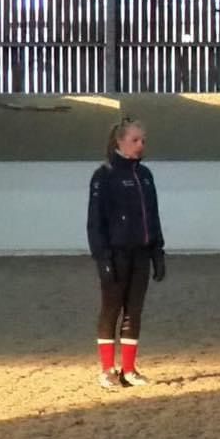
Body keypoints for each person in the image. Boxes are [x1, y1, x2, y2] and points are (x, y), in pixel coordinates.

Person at [87, 116, 166, 390]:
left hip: (140, 254)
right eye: (135, 140)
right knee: (111, 310)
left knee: (134, 311)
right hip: (115, 255)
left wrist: (158, 250)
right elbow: (95, 222)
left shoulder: (145, 176)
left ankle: (129, 370)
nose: (141, 145)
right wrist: (102, 258)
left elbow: (152, 216)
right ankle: (107, 370)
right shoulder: (104, 176)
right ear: (119, 141)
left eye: (143, 140)